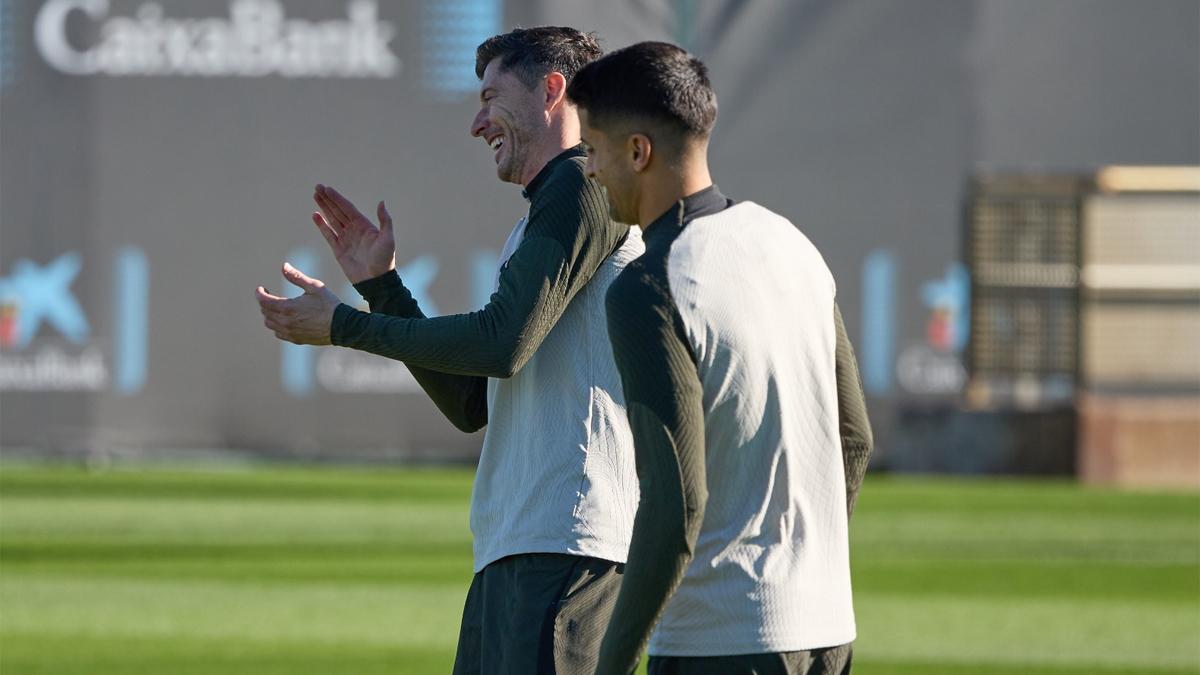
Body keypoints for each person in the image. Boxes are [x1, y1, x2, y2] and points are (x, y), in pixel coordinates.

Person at [255, 27, 645, 675]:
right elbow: (471, 401)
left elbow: (502, 342)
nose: (476, 122)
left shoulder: (582, 186)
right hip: (521, 545)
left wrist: (346, 326)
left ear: (553, 90)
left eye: (492, 96)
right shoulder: (547, 207)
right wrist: (383, 289)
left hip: (569, 546)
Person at [566, 42, 874, 675]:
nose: (588, 169)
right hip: (828, 631)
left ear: (637, 151)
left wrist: (613, 660)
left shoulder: (649, 285)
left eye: (592, 149)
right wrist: (800, 573)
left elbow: (676, 504)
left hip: (720, 641)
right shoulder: (792, 245)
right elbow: (855, 439)